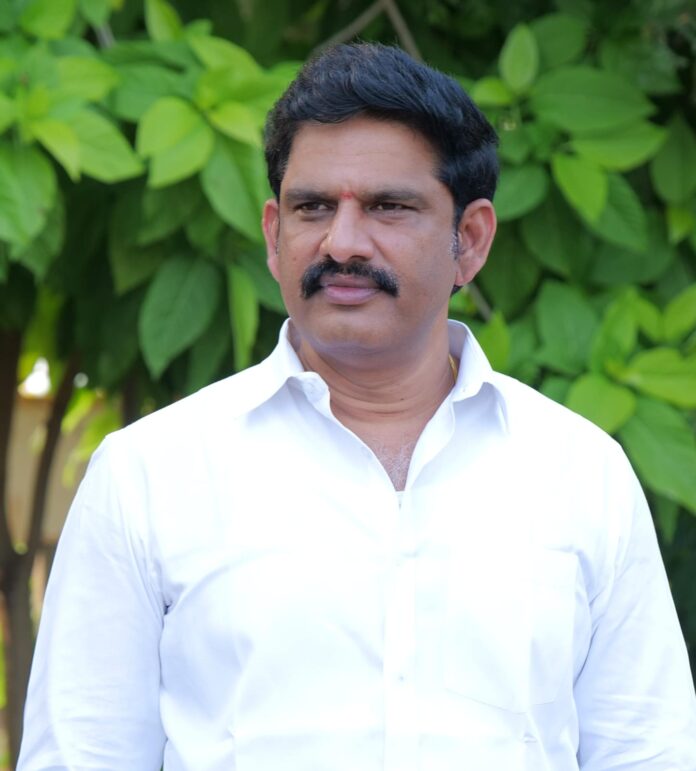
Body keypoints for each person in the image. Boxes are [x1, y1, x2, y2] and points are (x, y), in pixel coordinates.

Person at [18, 43, 696, 771]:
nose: (341, 242)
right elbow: (80, 755)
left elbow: (649, 753)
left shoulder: (581, 473)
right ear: (274, 235)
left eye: (388, 207)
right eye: (313, 207)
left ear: (469, 241)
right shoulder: (150, 474)